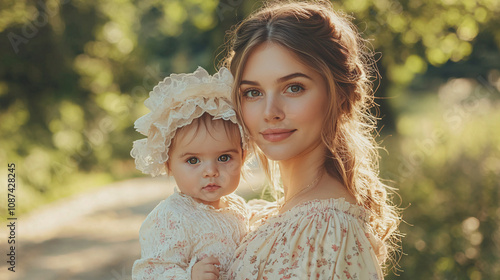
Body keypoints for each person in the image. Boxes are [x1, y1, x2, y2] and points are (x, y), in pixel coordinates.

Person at [221, 0, 401, 279]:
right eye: (253, 93)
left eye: (294, 88)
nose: (270, 113)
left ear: (338, 94)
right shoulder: (286, 217)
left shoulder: (325, 230)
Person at [130, 67, 249, 280]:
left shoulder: (238, 207)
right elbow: (150, 272)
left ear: (243, 155)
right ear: (168, 164)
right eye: (193, 160)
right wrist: (190, 276)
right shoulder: (171, 217)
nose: (211, 171)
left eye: (224, 158)